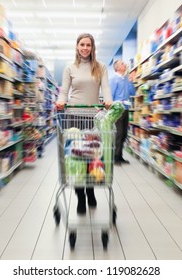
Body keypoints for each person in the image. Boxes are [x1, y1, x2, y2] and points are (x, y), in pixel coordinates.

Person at [56, 33, 113, 215]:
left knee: (92, 155)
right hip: (74, 116)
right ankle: (80, 196)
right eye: (82, 45)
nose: (85, 48)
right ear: (77, 46)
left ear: (92, 47)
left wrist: (109, 100)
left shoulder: (100, 67)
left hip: (93, 117)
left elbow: (105, 88)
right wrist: (60, 101)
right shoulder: (70, 68)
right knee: (75, 156)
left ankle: (91, 190)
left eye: (88, 45)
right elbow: (64, 91)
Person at [109, 59, 136, 165]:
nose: (125, 64)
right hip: (118, 110)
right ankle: (115, 157)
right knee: (118, 134)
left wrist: (131, 82)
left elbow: (132, 92)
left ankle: (120, 156)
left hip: (126, 109)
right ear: (117, 67)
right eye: (122, 63)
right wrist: (112, 113)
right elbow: (110, 96)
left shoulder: (125, 79)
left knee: (124, 133)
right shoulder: (114, 79)